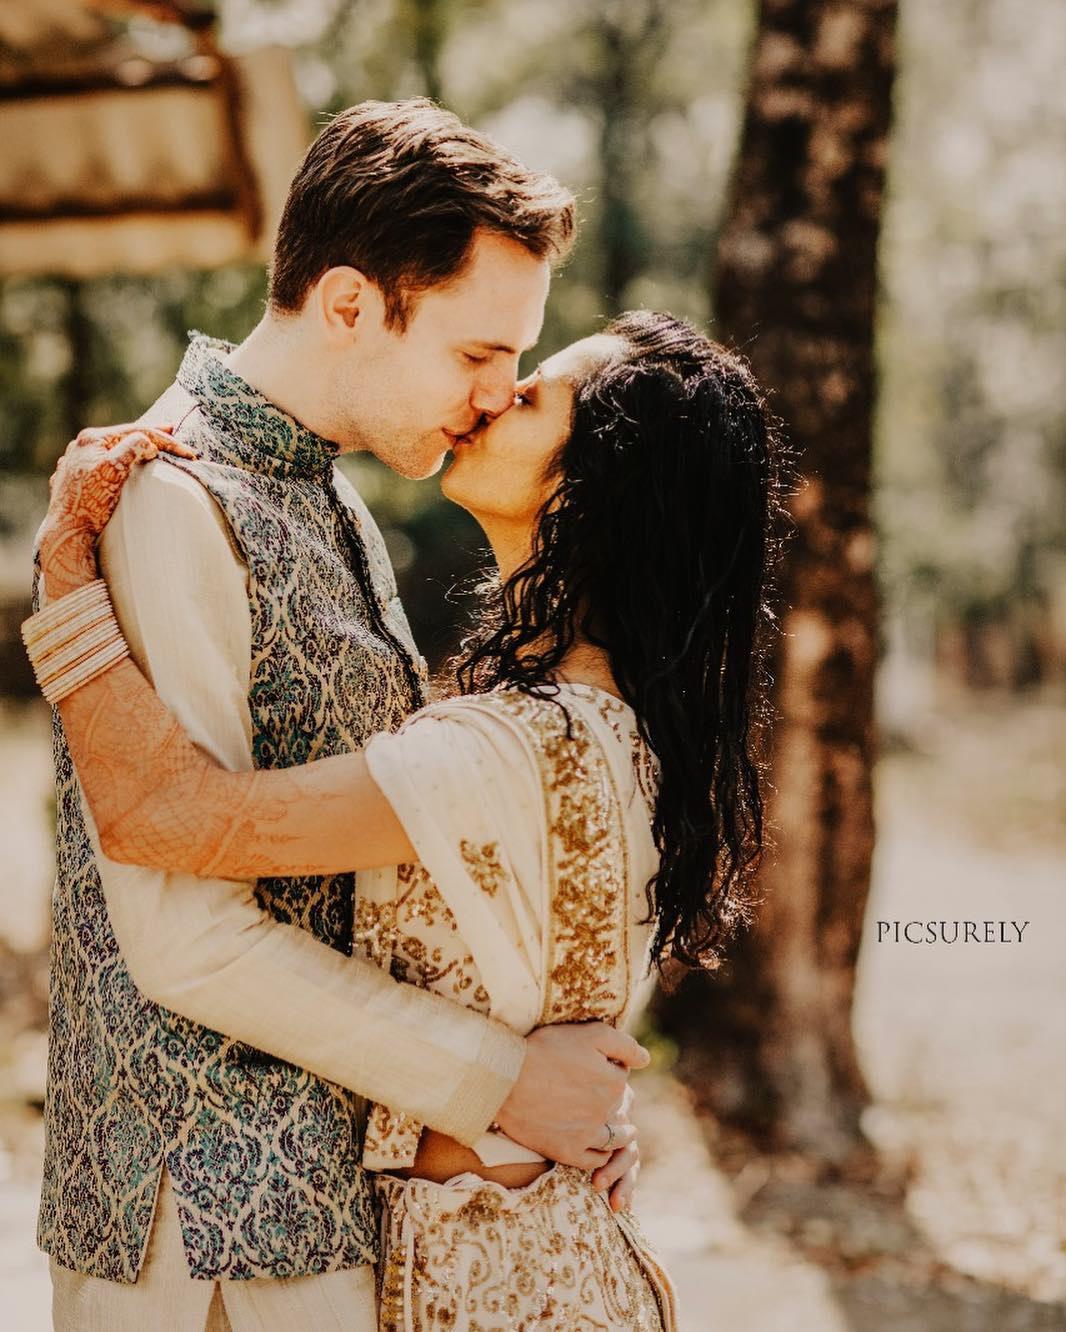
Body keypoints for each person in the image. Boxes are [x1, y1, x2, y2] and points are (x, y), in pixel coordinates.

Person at [27, 309, 788, 1328]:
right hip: (558, 1263)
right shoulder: (625, 729)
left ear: (600, 489)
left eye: (531, 393)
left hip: (494, 1288)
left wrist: (66, 579)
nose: (493, 394)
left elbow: (169, 815)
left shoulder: (501, 750)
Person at [29, 99, 650, 1332]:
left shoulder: (334, 497)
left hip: (322, 1211)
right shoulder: (167, 500)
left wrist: (569, 1097)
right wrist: (506, 1083)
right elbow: (185, 937)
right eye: (478, 355)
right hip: (199, 1238)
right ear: (353, 304)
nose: (493, 396)